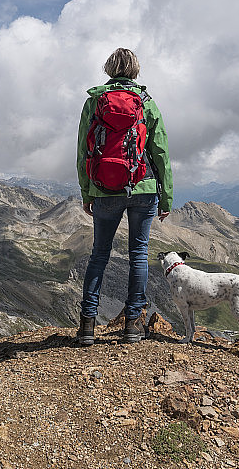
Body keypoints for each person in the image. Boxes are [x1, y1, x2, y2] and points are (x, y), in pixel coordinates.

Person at [75, 48, 173, 345]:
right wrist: (166, 197)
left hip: (104, 188)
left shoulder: (94, 101)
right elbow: (161, 153)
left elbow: (83, 151)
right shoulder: (147, 103)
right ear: (135, 70)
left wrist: (86, 191)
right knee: (139, 254)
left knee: (99, 254)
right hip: (143, 187)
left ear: (108, 69)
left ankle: (87, 327)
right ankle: (133, 325)